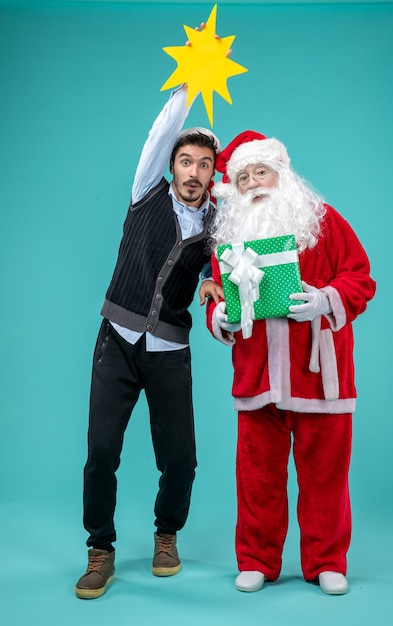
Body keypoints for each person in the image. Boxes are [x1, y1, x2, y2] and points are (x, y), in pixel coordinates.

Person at [203, 130, 376, 595]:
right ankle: (258, 559)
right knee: (257, 477)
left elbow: (360, 278)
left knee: (325, 475)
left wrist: (326, 299)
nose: (255, 182)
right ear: (234, 189)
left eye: (262, 172)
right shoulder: (230, 239)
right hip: (256, 377)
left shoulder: (323, 221)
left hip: (321, 375)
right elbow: (218, 297)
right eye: (243, 177)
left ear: (281, 174)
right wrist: (217, 315)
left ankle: (326, 561)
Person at [75, 83, 223, 600]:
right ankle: (100, 550)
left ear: (211, 175)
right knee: (101, 451)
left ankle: (167, 535)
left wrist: (213, 286)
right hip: (116, 341)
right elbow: (159, 135)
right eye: (186, 161)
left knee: (181, 457)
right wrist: (188, 83)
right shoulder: (146, 191)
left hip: (169, 351)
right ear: (172, 166)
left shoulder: (216, 225)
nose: (193, 172)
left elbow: (227, 270)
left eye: (205, 165)